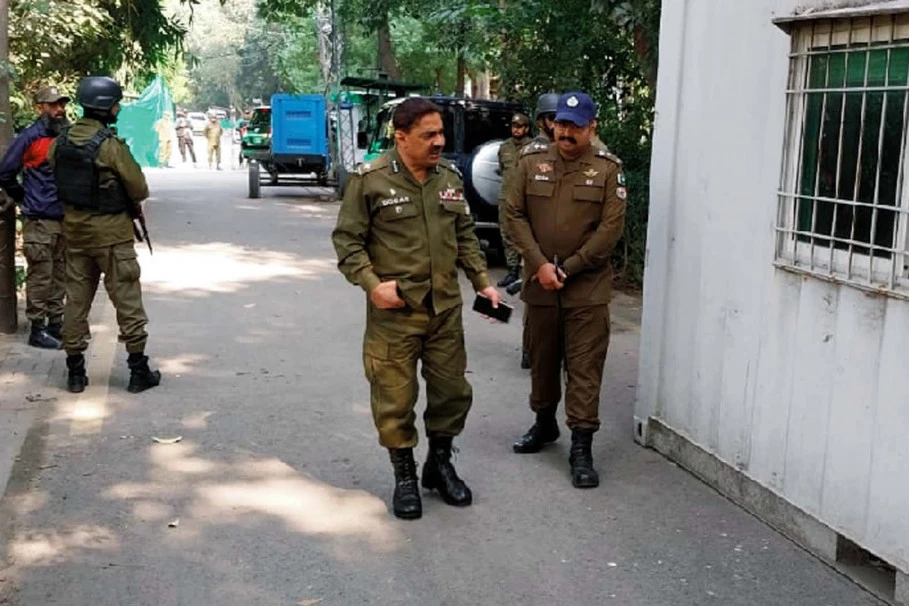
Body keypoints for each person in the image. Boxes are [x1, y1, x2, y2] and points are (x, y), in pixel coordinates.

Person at [332, 97, 501, 520]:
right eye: (429, 135)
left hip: (444, 310)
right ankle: (404, 476)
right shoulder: (370, 181)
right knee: (395, 397)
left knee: (452, 393)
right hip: (395, 313)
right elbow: (347, 243)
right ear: (402, 137)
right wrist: (372, 285)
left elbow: (465, 235)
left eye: (441, 133)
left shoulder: (449, 177)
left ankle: (439, 464)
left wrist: (483, 282)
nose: (439, 141)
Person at [504, 92, 627, 489]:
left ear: (592, 127)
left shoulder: (607, 169)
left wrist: (568, 267)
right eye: (561, 124)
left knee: (584, 366)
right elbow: (513, 213)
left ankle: (581, 446)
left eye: (575, 126)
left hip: (586, 288)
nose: (566, 132)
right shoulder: (530, 162)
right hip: (540, 283)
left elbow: (610, 229)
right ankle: (544, 424)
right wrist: (539, 264)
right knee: (542, 359)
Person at [48, 76, 161, 394]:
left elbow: (55, 172)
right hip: (111, 235)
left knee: (76, 301)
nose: (118, 108)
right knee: (127, 299)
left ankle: (75, 373)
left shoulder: (61, 142)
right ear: (105, 107)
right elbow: (139, 188)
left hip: (75, 234)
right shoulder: (110, 146)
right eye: (116, 104)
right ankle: (138, 371)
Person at [0, 85, 71, 349]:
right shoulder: (30, 137)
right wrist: (23, 197)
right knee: (41, 275)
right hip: (40, 220)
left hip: (63, 218)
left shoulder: (65, 135)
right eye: (53, 105)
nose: (59, 109)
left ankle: (55, 324)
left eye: (61, 104)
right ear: (40, 108)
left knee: (60, 274)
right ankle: (37, 329)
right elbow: (5, 172)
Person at [496, 112, 531, 290]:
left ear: (526, 128)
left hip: (527, 198)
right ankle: (512, 270)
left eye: (519, 127)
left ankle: (527, 272)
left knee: (527, 234)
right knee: (507, 233)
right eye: (513, 126)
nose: (516, 130)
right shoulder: (504, 147)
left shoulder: (533, 147)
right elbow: (502, 170)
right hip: (507, 197)